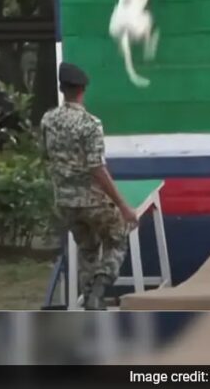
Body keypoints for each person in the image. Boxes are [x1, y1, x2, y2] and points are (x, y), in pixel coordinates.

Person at [41, 62, 139, 310]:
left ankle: (92, 305)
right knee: (118, 238)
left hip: (65, 203)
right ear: (83, 89)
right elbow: (97, 168)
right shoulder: (90, 123)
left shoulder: (47, 120)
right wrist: (123, 206)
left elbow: (46, 155)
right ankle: (98, 289)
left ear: (63, 89)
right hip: (92, 201)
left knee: (87, 248)